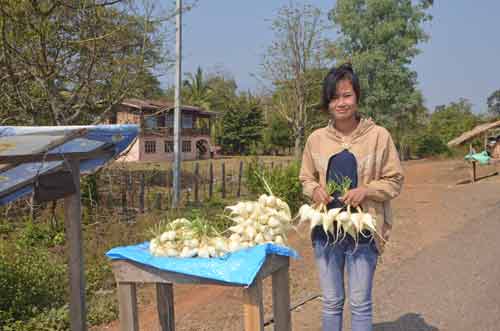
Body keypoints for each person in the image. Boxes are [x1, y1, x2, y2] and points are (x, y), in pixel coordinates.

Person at [299, 63, 404, 331]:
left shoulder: (379, 136)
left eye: (346, 95)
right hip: (326, 231)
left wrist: (366, 190)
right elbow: (306, 179)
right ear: (327, 102)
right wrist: (315, 190)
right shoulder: (316, 139)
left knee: (360, 303)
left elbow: (395, 180)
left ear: (357, 96)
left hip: (363, 232)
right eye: (334, 97)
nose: (341, 103)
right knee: (332, 302)